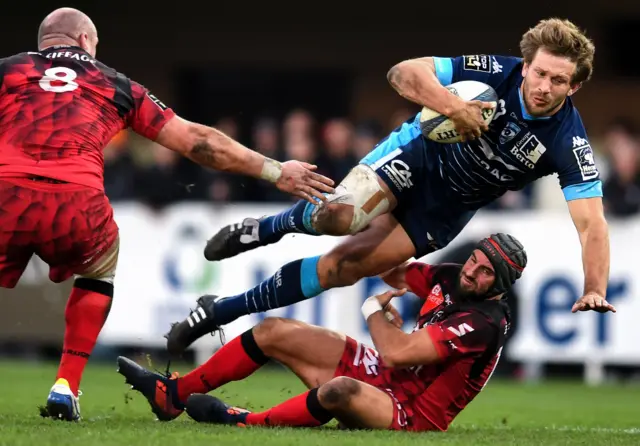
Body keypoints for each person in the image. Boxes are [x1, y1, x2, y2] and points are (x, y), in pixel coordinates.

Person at [165, 18, 615, 355]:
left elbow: (592, 224)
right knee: (341, 217)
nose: (542, 86)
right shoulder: (497, 70)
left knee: (342, 269)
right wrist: (451, 106)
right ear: (527, 66)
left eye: (557, 80)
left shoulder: (568, 142)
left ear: (573, 86)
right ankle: (265, 229)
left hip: (444, 210)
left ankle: (220, 310)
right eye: (539, 73)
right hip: (416, 157)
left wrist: (594, 286)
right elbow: (403, 73)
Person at [0, 8, 334, 421]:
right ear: (87, 41)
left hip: (6, 194)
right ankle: (66, 385)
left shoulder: (9, 70)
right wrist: (275, 170)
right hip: (78, 200)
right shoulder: (115, 83)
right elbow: (198, 141)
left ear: (43, 44)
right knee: (99, 268)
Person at [119, 233, 524, 432]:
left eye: (485, 271)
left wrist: (373, 310)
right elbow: (393, 270)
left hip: (412, 414)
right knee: (274, 330)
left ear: (501, 284)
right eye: (473, 260)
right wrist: (387, 227)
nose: (471, 271)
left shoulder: (485, 323)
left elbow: (398, 353)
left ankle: (244, 421)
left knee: (339, 391)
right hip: (390, 376)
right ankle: (173, 395)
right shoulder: (455, 276)